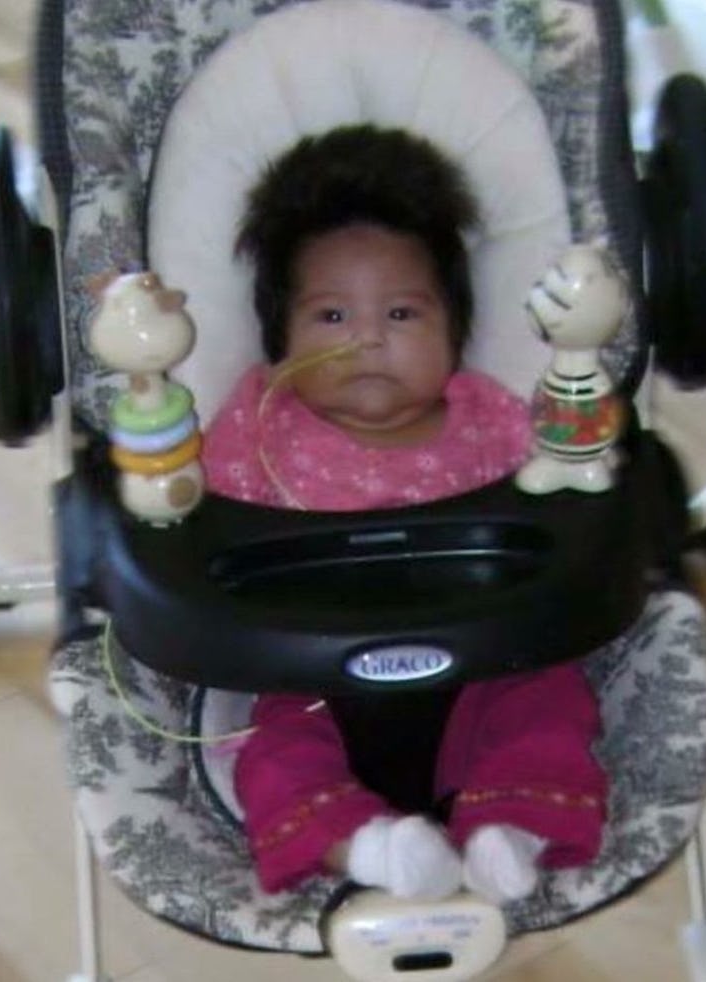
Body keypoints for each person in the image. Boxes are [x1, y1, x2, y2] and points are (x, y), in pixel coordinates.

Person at [203, 125, 607, 903]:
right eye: (330, 318)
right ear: (279, 340)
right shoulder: (260, 427)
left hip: (481, 669)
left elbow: (560, 518)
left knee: (551, 700)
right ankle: (366, 847)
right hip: (315, 680)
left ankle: (509, 827)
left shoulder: (493, 421)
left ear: (455, 329)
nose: (366, 341)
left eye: (401, 316)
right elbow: (202, 533)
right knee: (272, 748)